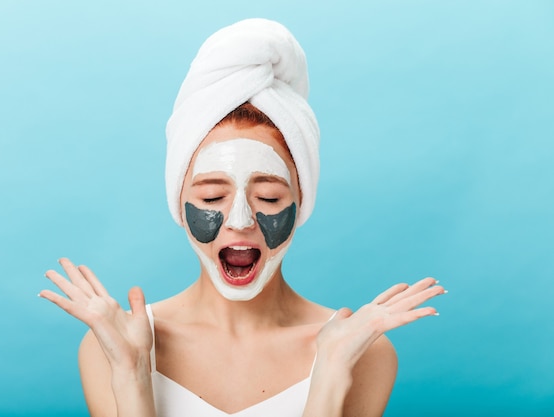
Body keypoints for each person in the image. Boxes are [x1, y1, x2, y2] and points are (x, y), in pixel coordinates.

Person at [39, 18, 446, 417]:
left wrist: (331, 377)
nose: (239, 220)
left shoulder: (361, 350)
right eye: (213, 195)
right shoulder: (114, 343)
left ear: (301, 203)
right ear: (178, 202)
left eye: (268, 197)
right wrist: (131, 375)